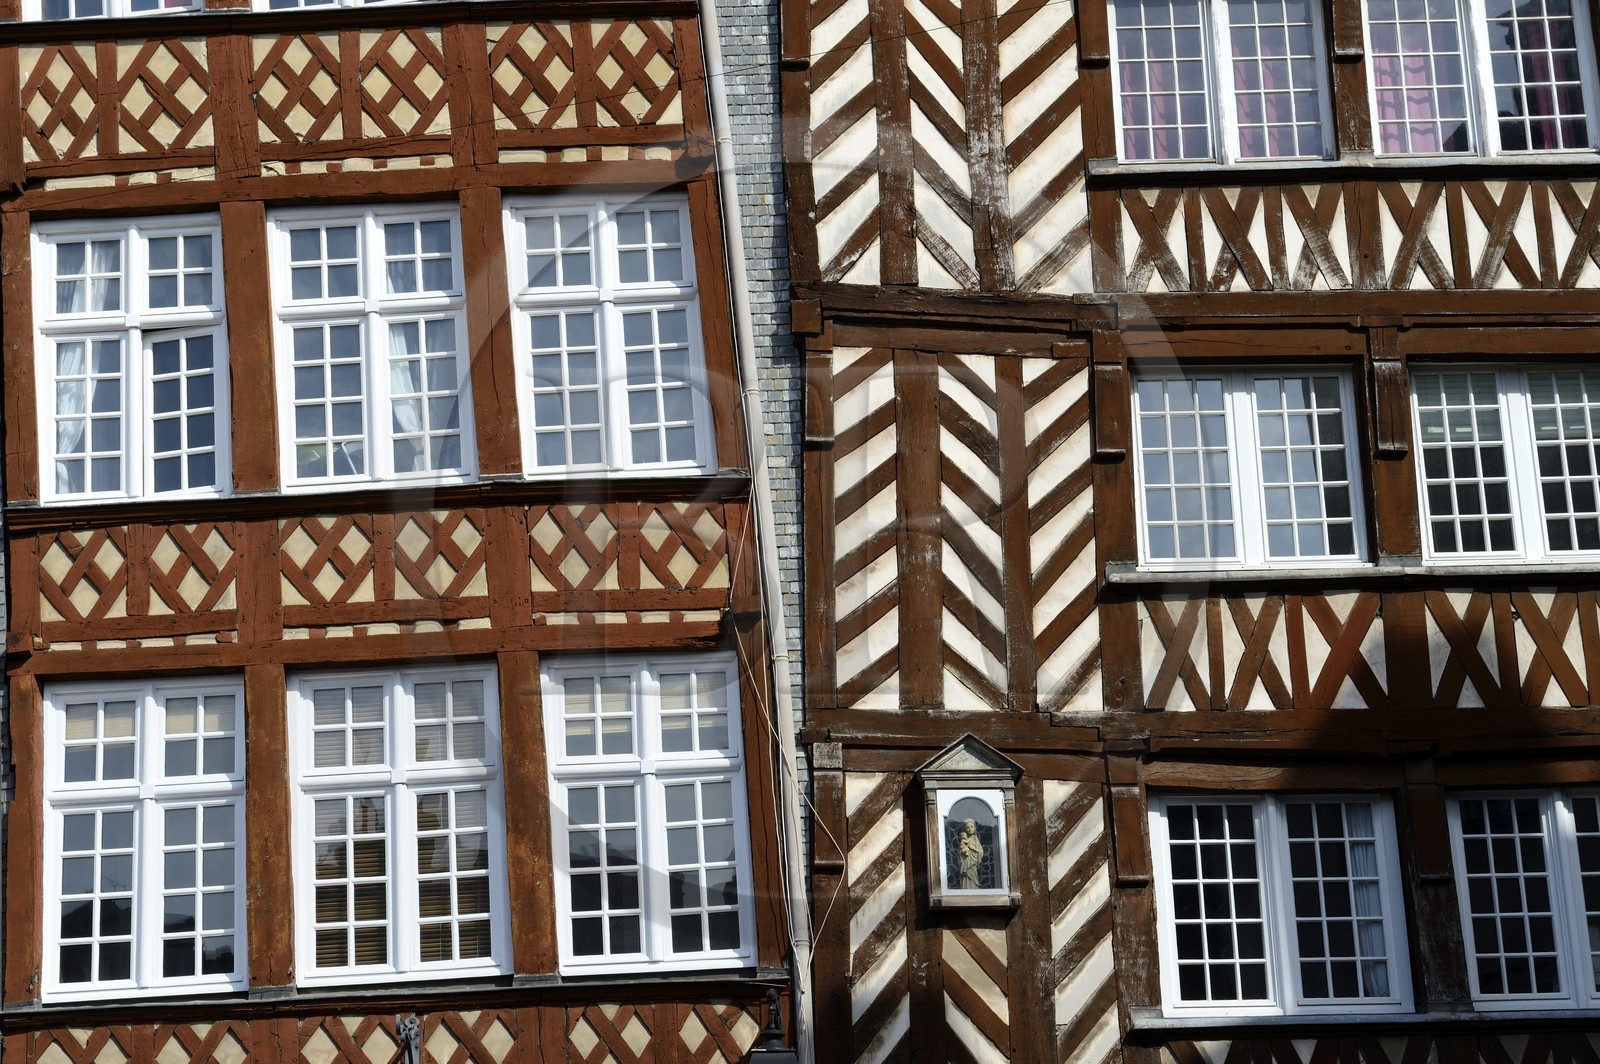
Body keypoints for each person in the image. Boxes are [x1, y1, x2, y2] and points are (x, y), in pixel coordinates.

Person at [957, 818, 983, 889]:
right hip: (965, 862)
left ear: (975, 828)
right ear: (964, 829)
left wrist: (976, 852)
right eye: (967, 827)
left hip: (972, 864)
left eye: (972, 827)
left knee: (973, 876)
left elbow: (980, 852)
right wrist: (962, 852)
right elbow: (959, 852)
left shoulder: (975, 839)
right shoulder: (963, 840)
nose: (970, 829)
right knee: (965, 877)